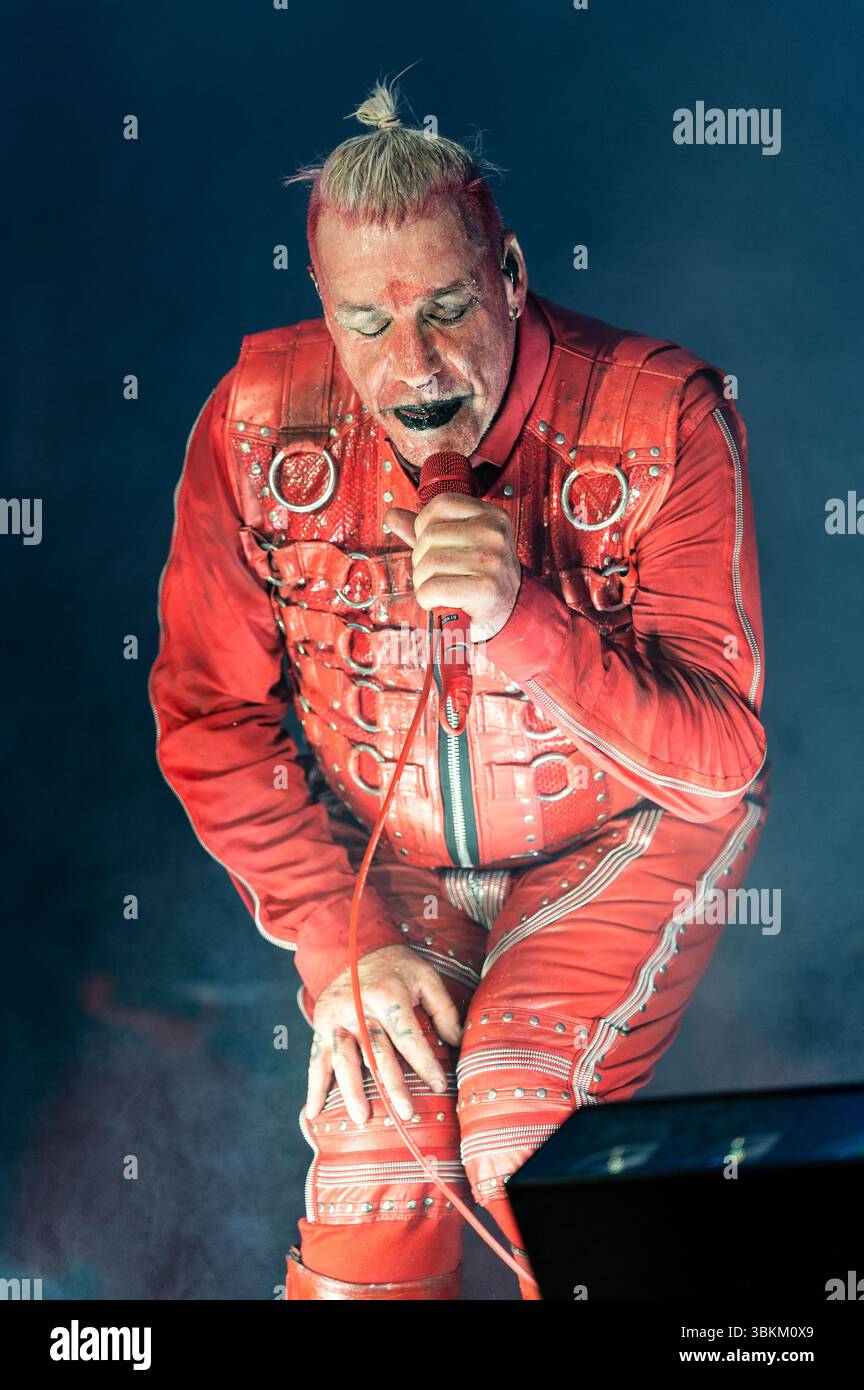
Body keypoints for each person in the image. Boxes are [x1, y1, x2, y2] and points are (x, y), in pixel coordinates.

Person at [148, 75, 771, 1301]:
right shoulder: (253, 422)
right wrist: (341, 947)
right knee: (380, 1150)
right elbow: (211, 719)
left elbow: (721, 760)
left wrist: (519, 619)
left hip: (627, 829)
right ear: (322, 310)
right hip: (398, 863)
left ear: (515, 274)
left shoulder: (661, 412)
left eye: (447, 308)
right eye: (368, 326)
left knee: (518, 1124)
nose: (417, 365)